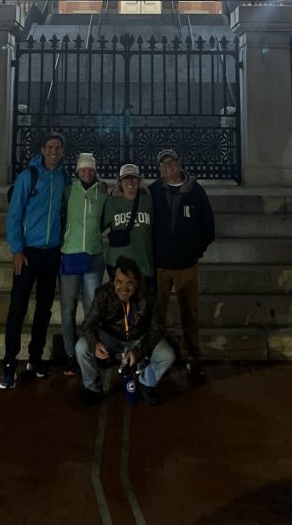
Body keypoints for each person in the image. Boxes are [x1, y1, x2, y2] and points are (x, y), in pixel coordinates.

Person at [0, 132, 69, 390]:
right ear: (42, 150)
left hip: (52, 253)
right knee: (17, 308)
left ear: (63, 152)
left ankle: (35, 357)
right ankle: (9, 363)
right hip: (27, 252)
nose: (54, 151)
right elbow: (15, 214)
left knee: (44, 308)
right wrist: (17, 249)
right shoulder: (29, 176)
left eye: (58, 148)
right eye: (50, 147)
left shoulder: (63, 178)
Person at [75, 256, 175, 407]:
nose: (123, 288)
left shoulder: (148, 297)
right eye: (119, 282)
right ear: (113, 281)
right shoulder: (103, 294)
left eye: (129, 283)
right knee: (81, 347)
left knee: (167, 355)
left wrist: (138, 351)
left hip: (139, 339)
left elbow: (157, 329)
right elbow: (88, 325)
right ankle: (92, 388)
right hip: (112, 337)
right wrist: (95, 344)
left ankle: (146, 383)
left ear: (137, 283)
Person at [150, 148, 215, 377]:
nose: (168, 167)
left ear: (179, 164)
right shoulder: (153, 192)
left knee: (190, 313)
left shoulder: (196, 192)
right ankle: (156, 355)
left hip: (186, 265)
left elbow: (208, 227)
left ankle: (193, 356)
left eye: (171, 162)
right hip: (160, 265)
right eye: (163, 164)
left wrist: (195, 252)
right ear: (159, 169)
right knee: (157, 314)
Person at [59, 152, 109, 376]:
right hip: (70, 254)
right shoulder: (69, 190)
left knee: (92, 309)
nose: (87, 172)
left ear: (95, 170)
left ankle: (91, 350)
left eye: (90, 169)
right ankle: (70, 354)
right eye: (83, 169)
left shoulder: (102, 191)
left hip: (94, 255)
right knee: (68, 309)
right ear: (77, 171)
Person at [101, 164, 154, 289]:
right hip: (118, 265)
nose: (130, 182)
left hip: (143, 265)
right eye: (126, 179)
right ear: (120, 182)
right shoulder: (111, 202)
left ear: (139, 181)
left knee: (142, 305)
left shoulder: (148, 201)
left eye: (134, 178)